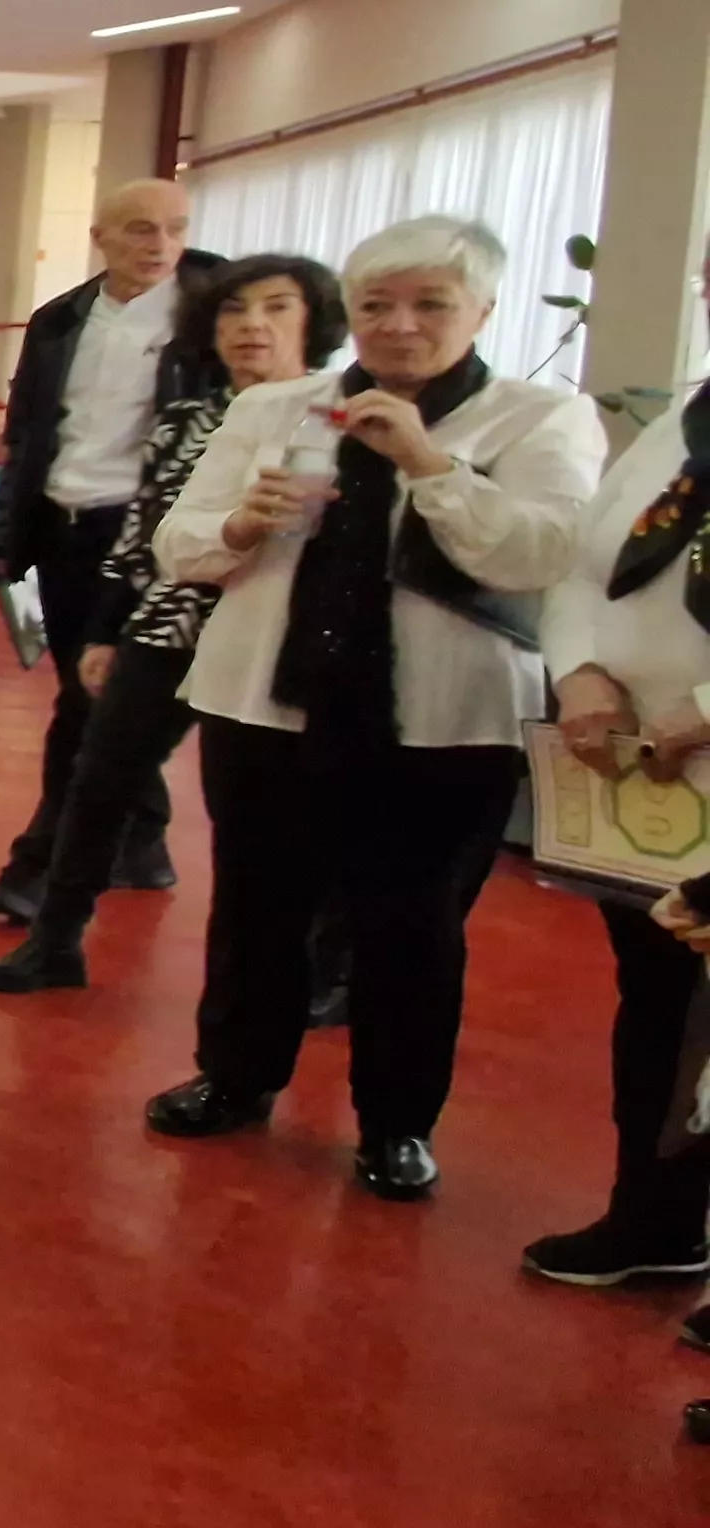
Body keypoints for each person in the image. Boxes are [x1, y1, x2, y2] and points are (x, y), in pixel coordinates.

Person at [143, 217, 603, 1202]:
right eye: (373, 306)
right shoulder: (276, 406)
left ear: (481, 310)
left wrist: (432, 468)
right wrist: (238, 522)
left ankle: (396, 1123)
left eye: (429, 304)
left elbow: (543, 556)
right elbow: (179, 543)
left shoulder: (538, 419)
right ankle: (234, 1075)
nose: (398, 326)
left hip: (441, 725)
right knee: (255, 905)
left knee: (412, 927)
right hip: (264, 705)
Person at [0, 256, 344, 992]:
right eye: (235, 311)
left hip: (288, 633)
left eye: (276, 308)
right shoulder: (187, 418)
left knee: (303, 809)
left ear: (317, 322)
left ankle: (325, 969)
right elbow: (144, 531)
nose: (251, 326)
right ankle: (55, 939)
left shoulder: (341, 417)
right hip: (173, 617)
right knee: (100, 774)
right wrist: (108, 630)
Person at [521, 269, 710, 1293]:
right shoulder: (688, 413)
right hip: (640, 775)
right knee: (659, 1006)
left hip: (698, 745)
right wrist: (579, 665)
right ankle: (654, 1213)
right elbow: (587, 561)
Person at [0, 181, 227, 921]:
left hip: (150, 531)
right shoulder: (61, 320)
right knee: (91, 693)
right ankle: (142, 843)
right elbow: (27, 432)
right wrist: (10, 537)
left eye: (175, 229)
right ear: (102, 237)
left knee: (97, 703)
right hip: (65, 524)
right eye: (140, 230)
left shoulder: (212, 314)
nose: (159, 245)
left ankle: (41, 868)